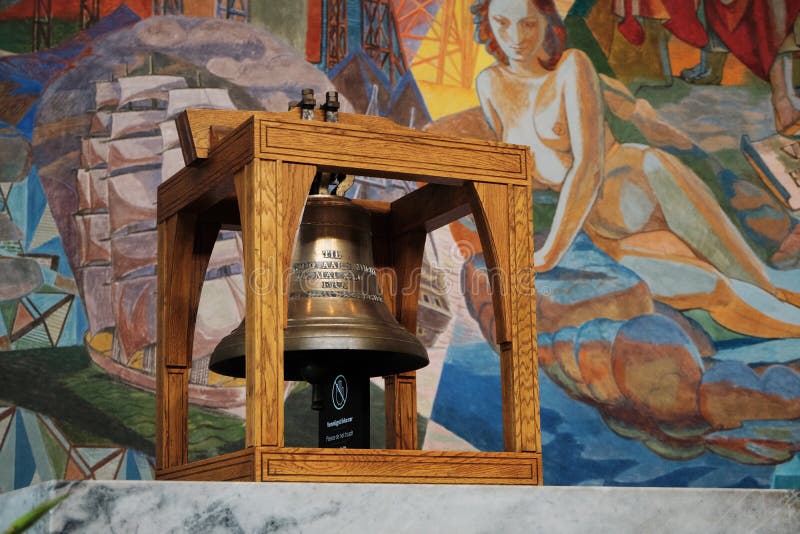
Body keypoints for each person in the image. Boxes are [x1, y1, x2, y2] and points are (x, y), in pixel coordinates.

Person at [472, 0, 800, 338]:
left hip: (642, 179)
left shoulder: (572, 66)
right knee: (714, 290)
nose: (516, 37)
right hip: (602, 228)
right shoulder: (489, 85)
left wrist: (549, 253)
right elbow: (519, 170)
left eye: (528, 24)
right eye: (502, 23)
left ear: (545, 23)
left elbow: (587, 169)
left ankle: (776, 292)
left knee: (752, 275)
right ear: (488, 24)